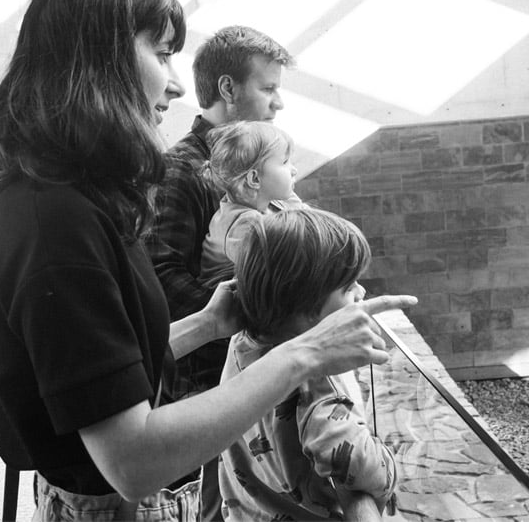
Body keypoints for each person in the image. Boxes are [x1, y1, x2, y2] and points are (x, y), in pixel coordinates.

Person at [0, 0, 416, 522]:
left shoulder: (70, 201)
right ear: (97, 63)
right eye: (162, 54)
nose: (175, 84)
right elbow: (133, 460)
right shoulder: (54, 225)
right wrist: (306, 352)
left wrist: (207, 324)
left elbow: (101, 376)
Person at [146, 26, 295, 522]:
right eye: (267, 88)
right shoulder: (180, 169)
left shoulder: (261, 159)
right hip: (207, 381)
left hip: (250, 366)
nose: (278, 103)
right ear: (229, 90)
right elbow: (163, 276)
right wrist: (250, 316)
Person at [218, 208, 397, 521]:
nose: (362, 291)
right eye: (349, 286)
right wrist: (390, 464)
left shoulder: (245, 342)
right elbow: (359, 463)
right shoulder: (315, 381)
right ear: (308, 311)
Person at [198, 120, 302, 288]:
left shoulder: (275, 200)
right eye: (285, 162)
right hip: (231, 305)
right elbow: (278, 268)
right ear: (254, 179)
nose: (294, 170)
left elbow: (312, 224)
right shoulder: (241, 225)